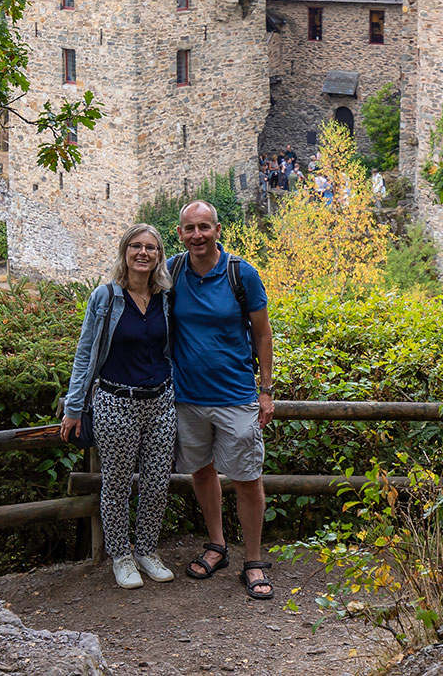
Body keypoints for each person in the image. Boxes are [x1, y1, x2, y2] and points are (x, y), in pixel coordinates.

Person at [169, 200, 276, 601]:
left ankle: (253, 559)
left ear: (217, 229)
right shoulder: (173, 271)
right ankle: (217, 546)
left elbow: (263, 334)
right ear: (179, 234)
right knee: (201, 471)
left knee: (248, 479)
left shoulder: (241, 273)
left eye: (204, 227)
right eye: (189, 228)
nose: (197, 234)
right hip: (187, 397)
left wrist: (265, 390)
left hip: (235, 396)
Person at [61, 224, 178, 589]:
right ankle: (121, 556)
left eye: (151, 248)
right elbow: (85, 354)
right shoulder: (106, 297)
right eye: (136, 246)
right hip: (116, 402)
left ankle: (146, 550)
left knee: (158, 482)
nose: (143, 253)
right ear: (124, 251)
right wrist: (74, 407)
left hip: (160, 401)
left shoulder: (165, 298)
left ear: (159, 256)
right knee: (116, 484)